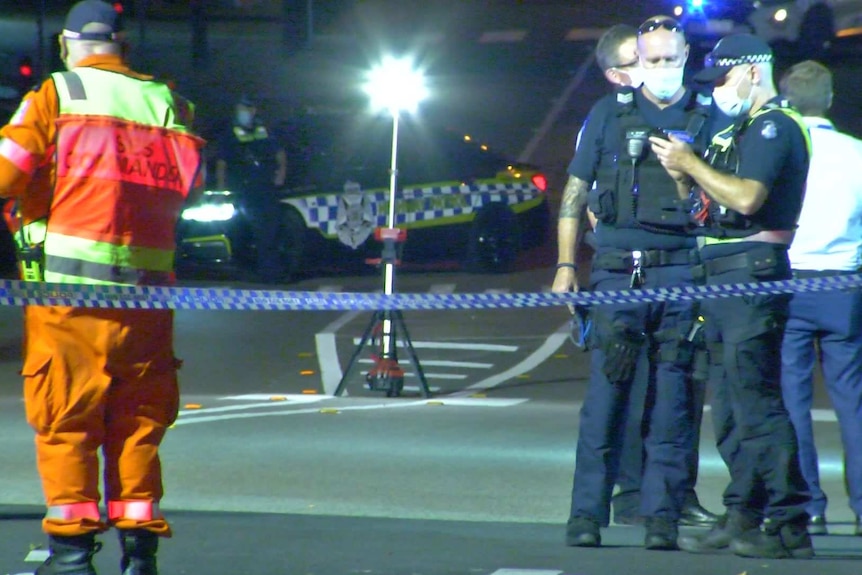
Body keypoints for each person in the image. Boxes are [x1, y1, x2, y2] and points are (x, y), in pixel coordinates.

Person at [0, 1, 205, 573]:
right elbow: (193, 186)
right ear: (122, 46)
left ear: (67, 45)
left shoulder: (55, 96)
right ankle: (140, 555)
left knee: (68, 420)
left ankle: (70, 555)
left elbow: (7, 174)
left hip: (68, 299)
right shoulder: (168, 103)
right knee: (138, 423)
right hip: (146, 299)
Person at [559, 16, 723, 551]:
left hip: (678, 272)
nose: (661, 69)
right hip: (614, 273)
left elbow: (721, 205)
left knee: (673, 402)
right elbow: (576, 192)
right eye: (650, 60)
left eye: (671, 60)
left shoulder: (705, 117)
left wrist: (689, 169)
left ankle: (662, 519)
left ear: (685, 59)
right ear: (635, 64)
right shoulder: (608, 114)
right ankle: (586, 514)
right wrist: (565, 266)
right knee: (605, 399)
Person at [650, 33, 813, 558]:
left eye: (723, 77)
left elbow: (746, 198)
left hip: (752, 270)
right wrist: (681, 174)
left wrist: (693, 164)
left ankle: (789, 524)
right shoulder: (737, 127)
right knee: (729, 411)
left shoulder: (774, 126)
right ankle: (743, 512)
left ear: (750, 71)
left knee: (757, 404)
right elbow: (702, 208)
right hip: (717, 272)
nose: (718, 89)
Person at [777, 59, 862, 537]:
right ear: (829, 98)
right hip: (843, 285)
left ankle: (809, 505)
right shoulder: (857, 153)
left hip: (789, 283)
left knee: (793, 400)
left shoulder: (785, 149)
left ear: (788, 99)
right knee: (852, 401)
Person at [215, 94, 288, 283]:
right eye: (240, 109)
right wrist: (222, 191)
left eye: (246, 109)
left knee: (269, 232)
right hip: (243, 191)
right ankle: (248, 270)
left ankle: (270, 273)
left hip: (266, 189)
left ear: (253, 110)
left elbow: (280, 154)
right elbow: (222, 164)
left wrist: (280, 174)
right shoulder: (230, 133)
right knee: (245, 232)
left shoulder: (264, 131)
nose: (242, 113)